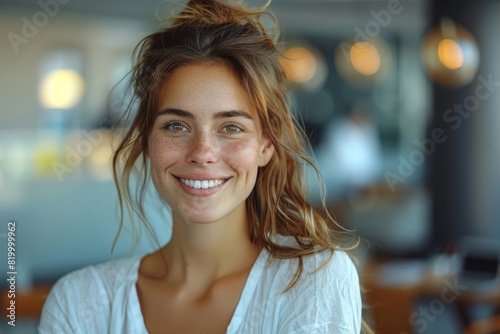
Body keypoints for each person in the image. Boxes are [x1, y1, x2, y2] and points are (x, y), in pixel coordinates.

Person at [39, 0, 370, 333]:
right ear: (145, 138)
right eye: (176, 126)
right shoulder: (78, 305)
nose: (202, 153)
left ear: (266, 145)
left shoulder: (312, 281)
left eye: (231, 127)